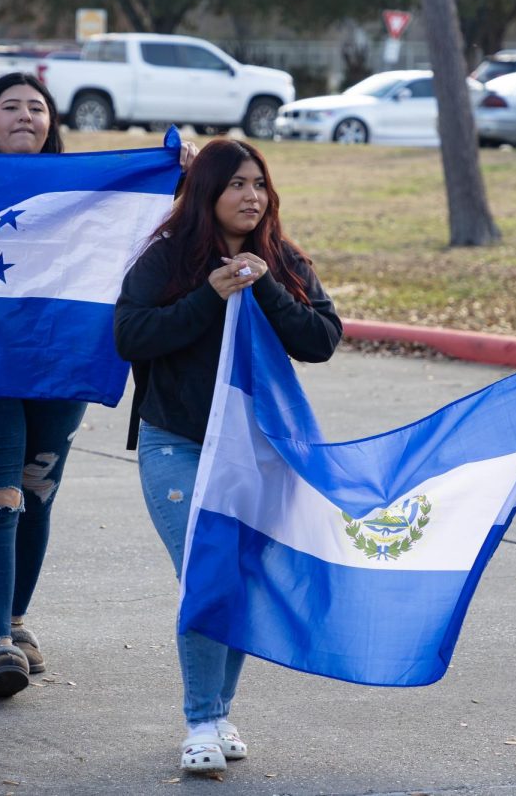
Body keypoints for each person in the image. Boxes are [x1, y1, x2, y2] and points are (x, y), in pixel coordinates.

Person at [0, 72, 197, 698]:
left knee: (36, 491)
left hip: (60, 363)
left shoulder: (88, 191)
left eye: (37, 107)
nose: (25, 115)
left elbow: (160, 227)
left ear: (52, 122)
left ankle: (17, 621)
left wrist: (181, 175)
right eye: (10, 106)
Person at [113, 139, 342, 774]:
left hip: (258, 453)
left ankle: (218, 710)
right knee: (206, 570)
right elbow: (130, 335)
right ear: (207, 193)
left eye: (259, 184)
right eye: (237, 184)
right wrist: (208, 295)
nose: (251, 196)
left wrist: (265, 288)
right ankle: (199, 722)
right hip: (177, 443)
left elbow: (321, 340)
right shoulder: (167, 260)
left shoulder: (283, 259)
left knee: (236, 578)